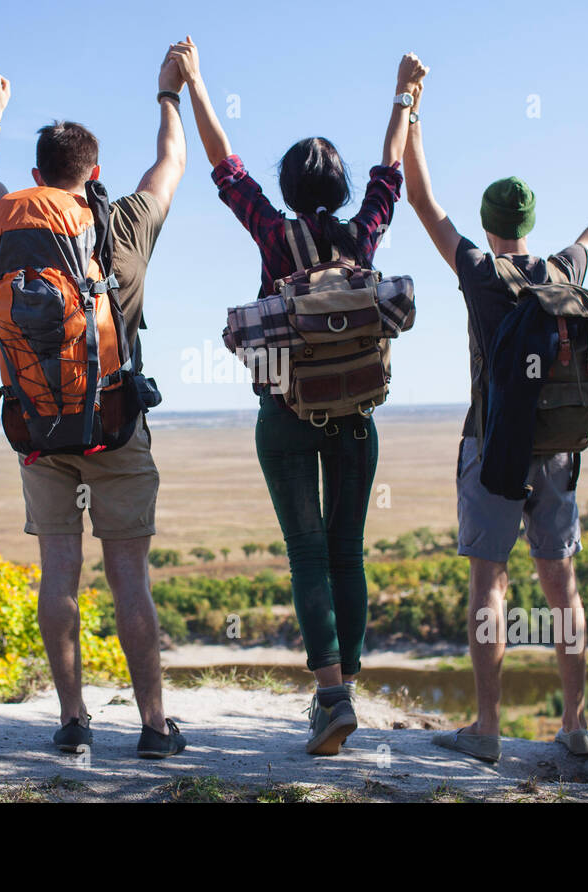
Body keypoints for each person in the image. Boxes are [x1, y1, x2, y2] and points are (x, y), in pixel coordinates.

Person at [168, 37, 426, 755]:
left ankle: (331, 695)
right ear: (340, 190)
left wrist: (194, 82)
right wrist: (406, 97)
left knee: (306, 553)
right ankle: (347, 688)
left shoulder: (275, 234)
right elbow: (392, 172)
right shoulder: (363, 232)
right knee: (349, 552)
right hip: (357, 421)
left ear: (286, 186)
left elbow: (225, 168)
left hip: (284, 415)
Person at [401, 63, 588, 762]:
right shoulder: (564, 272)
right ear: (531, 226)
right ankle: (575, 724)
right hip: (561, 451)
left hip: (491, 447)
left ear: (489, 223)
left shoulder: (479, 272)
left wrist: (412, 109)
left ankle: (486, 729)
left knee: (489, 585)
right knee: (562, 588)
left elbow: (420, 198)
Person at [0, 50, 187, 759]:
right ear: (91, 173)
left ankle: (72, 720)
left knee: (58, 574)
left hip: (35, 427)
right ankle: (154, 728)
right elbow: (171, 163)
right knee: (130, 580)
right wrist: (168, 93)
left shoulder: (2, 219)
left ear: (37, 177)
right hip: (115, 426)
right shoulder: (120, 224)